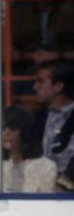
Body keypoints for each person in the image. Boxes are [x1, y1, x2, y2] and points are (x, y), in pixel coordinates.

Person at [0, 106, 57, 193]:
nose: (6, 133)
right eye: (3, 128)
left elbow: (48, 204)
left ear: (25, 132)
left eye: (12, 128)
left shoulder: (47, 167)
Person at [33, 59, 74, 190]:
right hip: (40, 185)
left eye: (41, 81)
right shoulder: (38, 118)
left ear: (59, 87)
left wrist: (64, 183)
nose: (35, 86)